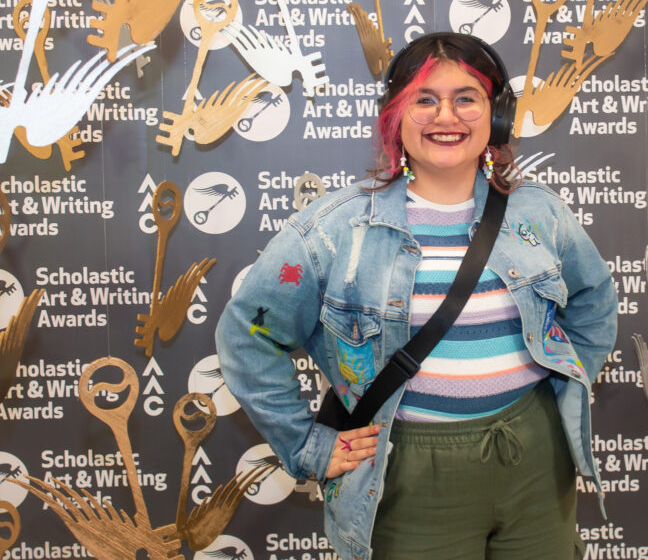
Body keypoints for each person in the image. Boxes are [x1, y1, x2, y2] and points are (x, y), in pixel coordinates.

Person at [216, 32, 617, 560]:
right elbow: (249, 335)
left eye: (465, 99)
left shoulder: (540, 213)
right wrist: (308, 445)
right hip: (406, 468)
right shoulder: (335, 229)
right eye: (424, 100)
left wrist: (561, 384)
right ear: (395, 119)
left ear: (495, 117)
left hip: (535, 458)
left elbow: (594, 301)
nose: (444, 116)